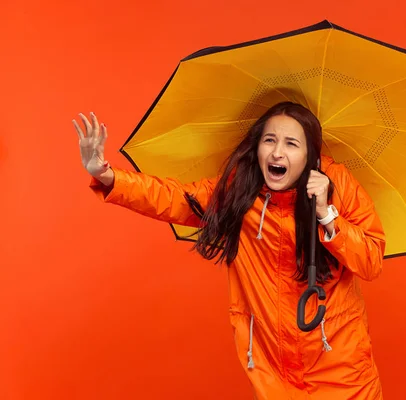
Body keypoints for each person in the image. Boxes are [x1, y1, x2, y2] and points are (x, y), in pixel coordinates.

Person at [73, 102, 386, 399]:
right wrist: (106, 175)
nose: (277, 152)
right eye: (270, 140)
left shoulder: (338, 185)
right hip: (272, 370)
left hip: (341, 369)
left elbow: (371, 260)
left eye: (292, 143)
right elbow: (175, 198)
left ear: (309, 156)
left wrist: (327, 214)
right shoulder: (241, 190)